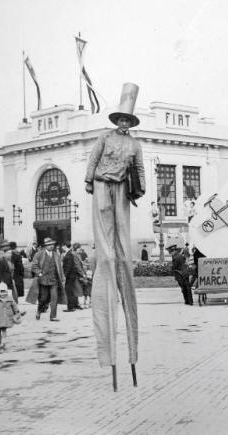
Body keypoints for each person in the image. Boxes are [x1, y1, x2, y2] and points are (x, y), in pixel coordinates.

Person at [84, 83, 145, 367]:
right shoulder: (104, 138)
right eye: (120, 119)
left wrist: (140, 189)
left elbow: (139, 168)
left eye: (127, 120)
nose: (123, 123)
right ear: (116, 120)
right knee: (105, 238)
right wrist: (88, 181)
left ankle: (116, 253)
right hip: (101, 184)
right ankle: (107, 254)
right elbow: (93, 159)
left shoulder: (135, 144)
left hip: (121, 186)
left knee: (120, 234)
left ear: (130, 123)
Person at [31, 237, 66, 321]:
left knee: (54, 298)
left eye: (52, 245)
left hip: (54, 281)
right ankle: (39, 311)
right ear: (45, 246)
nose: (51, 246)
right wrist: (39, 273)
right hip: (43, 281)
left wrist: (62, 277)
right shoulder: (39, 254)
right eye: (49, 245)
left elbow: (60, 267)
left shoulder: (56, 255)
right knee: (43, 299)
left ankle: (53, 316)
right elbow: (34, 266)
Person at [0, 282, 20, 350]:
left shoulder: (10, 299)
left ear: (6, 291)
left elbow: (14, 306)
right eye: (1, 292)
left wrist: (17, 312)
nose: (3, 293)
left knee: (4, 329)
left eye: (4, 291)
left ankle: (3, 342)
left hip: (6, 317)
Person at [62, 242, 85, 312]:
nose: (79, 250)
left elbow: (74, 266)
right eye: (78, 248)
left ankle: (71, 306)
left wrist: (65, 275)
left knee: (70, 290)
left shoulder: (71, 254)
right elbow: (75, 265)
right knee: (74, 290)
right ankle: (75, 305)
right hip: (74, 275)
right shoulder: (72, 254)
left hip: (72, 276)